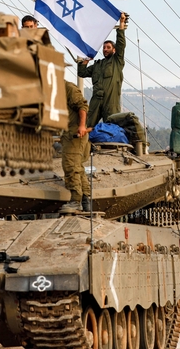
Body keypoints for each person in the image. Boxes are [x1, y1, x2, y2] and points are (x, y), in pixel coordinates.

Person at [77, 12, 126, 128]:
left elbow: (121, 44)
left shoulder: (117, 61)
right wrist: (86, 61)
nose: (105, 49)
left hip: (111, 101)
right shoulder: (97, 65)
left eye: (108, 47)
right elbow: (82, 72)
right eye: (104, 48)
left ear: (114, 50)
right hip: (96, 100)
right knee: (88, 125)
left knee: (112, 126)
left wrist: (121, 24)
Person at [58, 81, 91, 213]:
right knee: (77, 166)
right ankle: (85, 200)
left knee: (70, 165)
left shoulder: (68, 88)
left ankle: (75, 201)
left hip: (75, 133)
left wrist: (82, 126)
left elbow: (82, 106)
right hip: (67, 133)